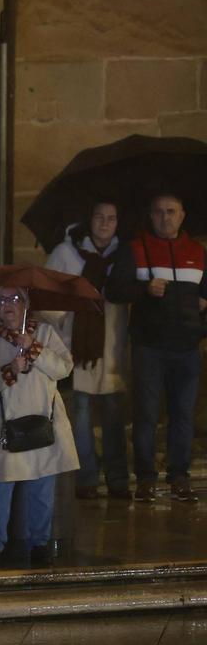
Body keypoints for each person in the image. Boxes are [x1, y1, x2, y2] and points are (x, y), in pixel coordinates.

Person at [106, 192, 207, 503]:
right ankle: (146, 479)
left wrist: (202, 316)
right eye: (159, 212)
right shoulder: (136, 249)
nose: (165, 217)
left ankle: (179, 477)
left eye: (171, 211)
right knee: (146, 415)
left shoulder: (198, 252)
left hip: (187, 348)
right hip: (149, 347)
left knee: (183, 415)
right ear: (150, 216)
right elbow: (114, 290)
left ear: (182, 215)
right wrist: (144, 289)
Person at [0, 286, 78, 565]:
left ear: (25, 304)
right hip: (6, 427)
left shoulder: (45, 334)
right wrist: (9, 371)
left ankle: (40, 544)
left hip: (42, 421)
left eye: (15, 299)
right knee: (0, 490)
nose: (9, 305)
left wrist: (34, 348)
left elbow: (64, 369)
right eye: (2, 300)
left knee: (42, 489)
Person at [42, 201, 130, 500]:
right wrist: (66, 315)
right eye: (99, 217)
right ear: (89, 220)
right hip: (77, 345)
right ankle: (87, 479)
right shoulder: (65, 253)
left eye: (111, 218)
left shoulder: (124, 256)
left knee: (114, 415)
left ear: (118, 223)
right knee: (79, 414)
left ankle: (118, 479)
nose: (105, 223)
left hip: (112, 344)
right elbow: (46, 294)